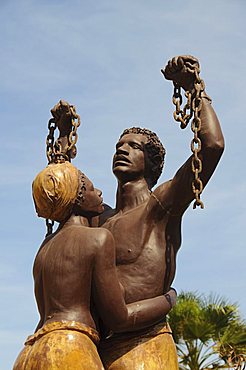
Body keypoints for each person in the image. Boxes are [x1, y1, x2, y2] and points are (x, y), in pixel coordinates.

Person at [98, 55, 225, 369]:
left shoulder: (160, 206)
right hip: (100, 347)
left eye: (133, 146)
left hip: (146, 344)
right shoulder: (100, 221)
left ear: (150, 162)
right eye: (119, 145)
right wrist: (62, 142)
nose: (122, 149)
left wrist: (195, 90)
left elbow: (212, 146)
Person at [13, 161, 177, 370]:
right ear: (77, 197)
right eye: (91, 189)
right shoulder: (97, 238)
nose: (99, 192)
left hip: (31, 352)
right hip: (69, 349)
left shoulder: (45, 248)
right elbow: (119, 318)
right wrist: (168, 299)